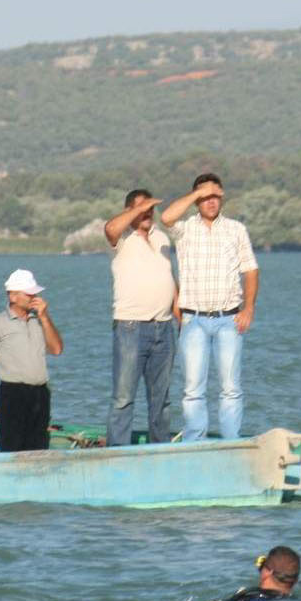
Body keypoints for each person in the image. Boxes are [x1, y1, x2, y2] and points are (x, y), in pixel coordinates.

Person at [160, 173, 260, 441]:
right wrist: (198, 192)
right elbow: (166, 217)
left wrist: (248, 309)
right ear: (196, 200)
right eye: (205, 197)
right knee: (193, 389)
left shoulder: (236, 230)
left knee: (231, 388)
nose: (211, 201)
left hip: (229, 319)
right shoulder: (184, 229)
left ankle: (231, 442)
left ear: (223, 197)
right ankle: (195, 442)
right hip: (193, 321)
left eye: (216, 195)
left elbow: (250, 269)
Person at [102, 188, 179, 446]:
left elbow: (169, 280)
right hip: (131, 329)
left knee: (161, 399)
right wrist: (138, 208)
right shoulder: (121, 238)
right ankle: (117, 451)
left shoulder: (162, 239)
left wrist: (180, 319)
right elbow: (110, 228)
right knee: (124, 397)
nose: (147, 212)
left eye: (150, 208)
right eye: (141, 208)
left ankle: (160, 448)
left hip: (164, 328)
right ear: (129, 211)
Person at [0, 269, 65, 452]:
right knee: (12, 448)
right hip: (13, 394)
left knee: (38, 449)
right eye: (29, 293)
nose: (34, 296)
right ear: (13, 296)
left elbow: (56, 349)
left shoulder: (39, 321)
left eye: (35, 293)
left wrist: (45, 317)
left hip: (40, 394)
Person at [223, 545, 301, 601]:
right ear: (296, 580)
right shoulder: (299, 600)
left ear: (267, 572)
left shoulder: (248, 597)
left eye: (262, 566)